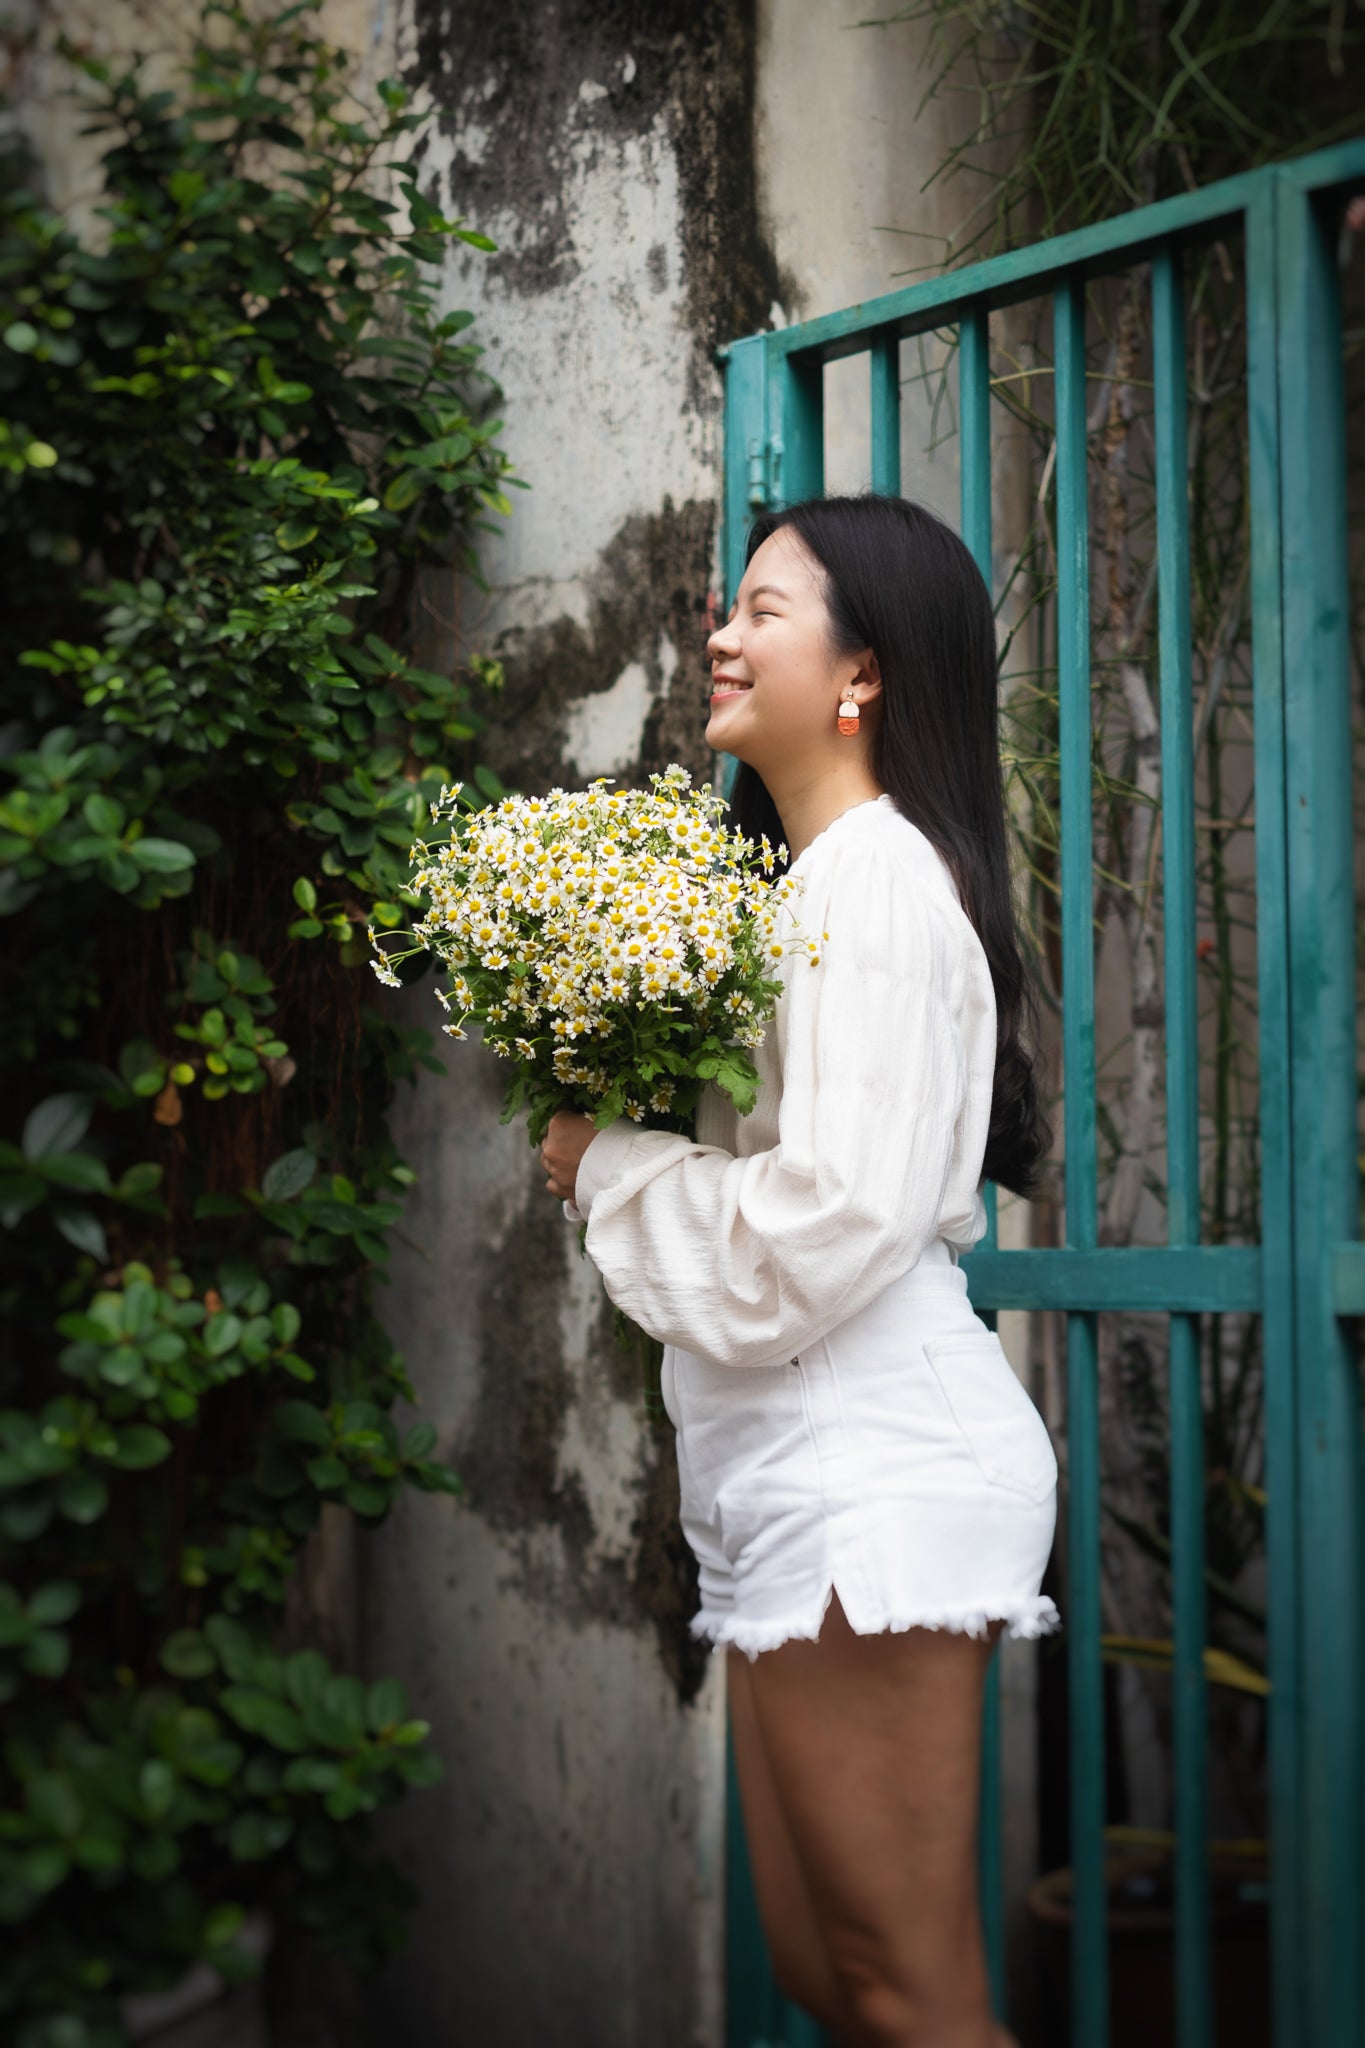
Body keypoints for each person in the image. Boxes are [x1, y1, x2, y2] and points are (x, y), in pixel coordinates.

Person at [538, 494, 1059, 2048]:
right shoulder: (809, 886)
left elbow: (827, 1217)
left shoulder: (874, 888)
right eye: (729, 606)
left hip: (868, 1474)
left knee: (908, 1994)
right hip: (798, 1471)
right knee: (830, 1978)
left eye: (763, 609)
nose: (719, 634)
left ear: (865, 671)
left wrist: (605, 1166)